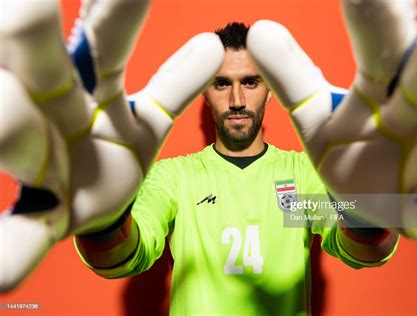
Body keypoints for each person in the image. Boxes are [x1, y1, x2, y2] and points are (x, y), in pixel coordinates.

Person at [74, 22, 399, 315]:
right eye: (221, 84)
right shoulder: (175, 178)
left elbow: (364, 251)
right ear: (202, 90)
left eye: (251, 82)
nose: (237, 99)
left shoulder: (299, 177)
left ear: (271, 89)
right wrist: (103, 218)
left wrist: (369, 205)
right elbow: (121, 258)